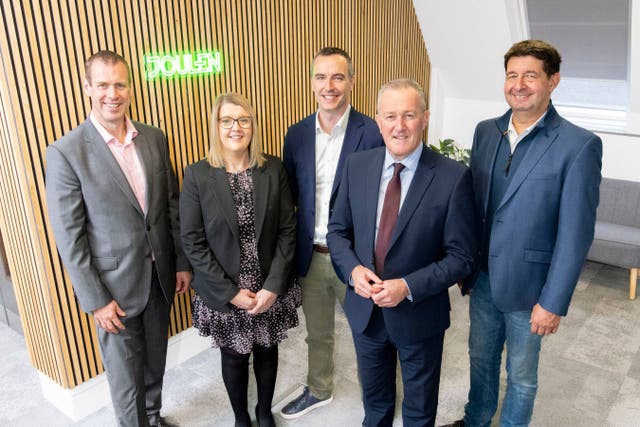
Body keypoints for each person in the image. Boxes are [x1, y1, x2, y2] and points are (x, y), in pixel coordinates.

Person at [441, 40, 602, 427]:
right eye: (512, 75)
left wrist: (554, 302)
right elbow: (474, 205)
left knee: (522, 376)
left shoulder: (578, 146)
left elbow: (575, 234)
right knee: (480, 360)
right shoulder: (486, 132)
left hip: (531, 290)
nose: (519, 84)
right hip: (482, 280)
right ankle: (475, 419)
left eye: (531, 75)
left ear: (553, 81)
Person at [46, 50, 192, 427]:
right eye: (103, 84)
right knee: (126, 378)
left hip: (160, 279)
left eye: (120, 84)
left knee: (155, 361)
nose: (113, 93)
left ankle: (154, 418)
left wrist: (179, 263)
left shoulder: (154, 138)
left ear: (130, 87)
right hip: (114, 291)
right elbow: (70, 239)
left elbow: (171, 206)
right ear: (87, 89)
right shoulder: (67, 152)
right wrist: (95, 300)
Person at [326, 79, 477, 427]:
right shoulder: (357, 165)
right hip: (365, 312)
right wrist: (352, 271)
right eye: (391, 115)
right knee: (375, 405)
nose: (399, 125)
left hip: (419, 315)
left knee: (419, 412)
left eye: (409, 115)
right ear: (378, 120)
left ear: (424, 118)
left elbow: (461, 257)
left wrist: (406, 286)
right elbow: (337, 232)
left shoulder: (453, 177)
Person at [179, 93, 301, 427]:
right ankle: (240, 417)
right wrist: (230, 292)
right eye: (227, 120)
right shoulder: (198, 175)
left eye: (244, 119)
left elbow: (288, 231)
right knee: (234, 356)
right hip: (225, 289)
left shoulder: (272, 169)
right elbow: (193, 241)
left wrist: (273, 287)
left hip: (267, 286)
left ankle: (263, 412)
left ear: (253, 125)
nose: (236, 127)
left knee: (267, 350)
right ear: (216, 127)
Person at [280, 46, 384, 419]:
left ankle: (379, 399)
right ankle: (319, 388)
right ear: (311, 84)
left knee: (370, 334)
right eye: (321, 77)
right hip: (312, 257)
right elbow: (290, 197)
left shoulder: (372, 133)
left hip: (355, 258)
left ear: (352, 82)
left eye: (338, 77)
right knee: (317, 333)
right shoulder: (295, 136)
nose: (329, 85)